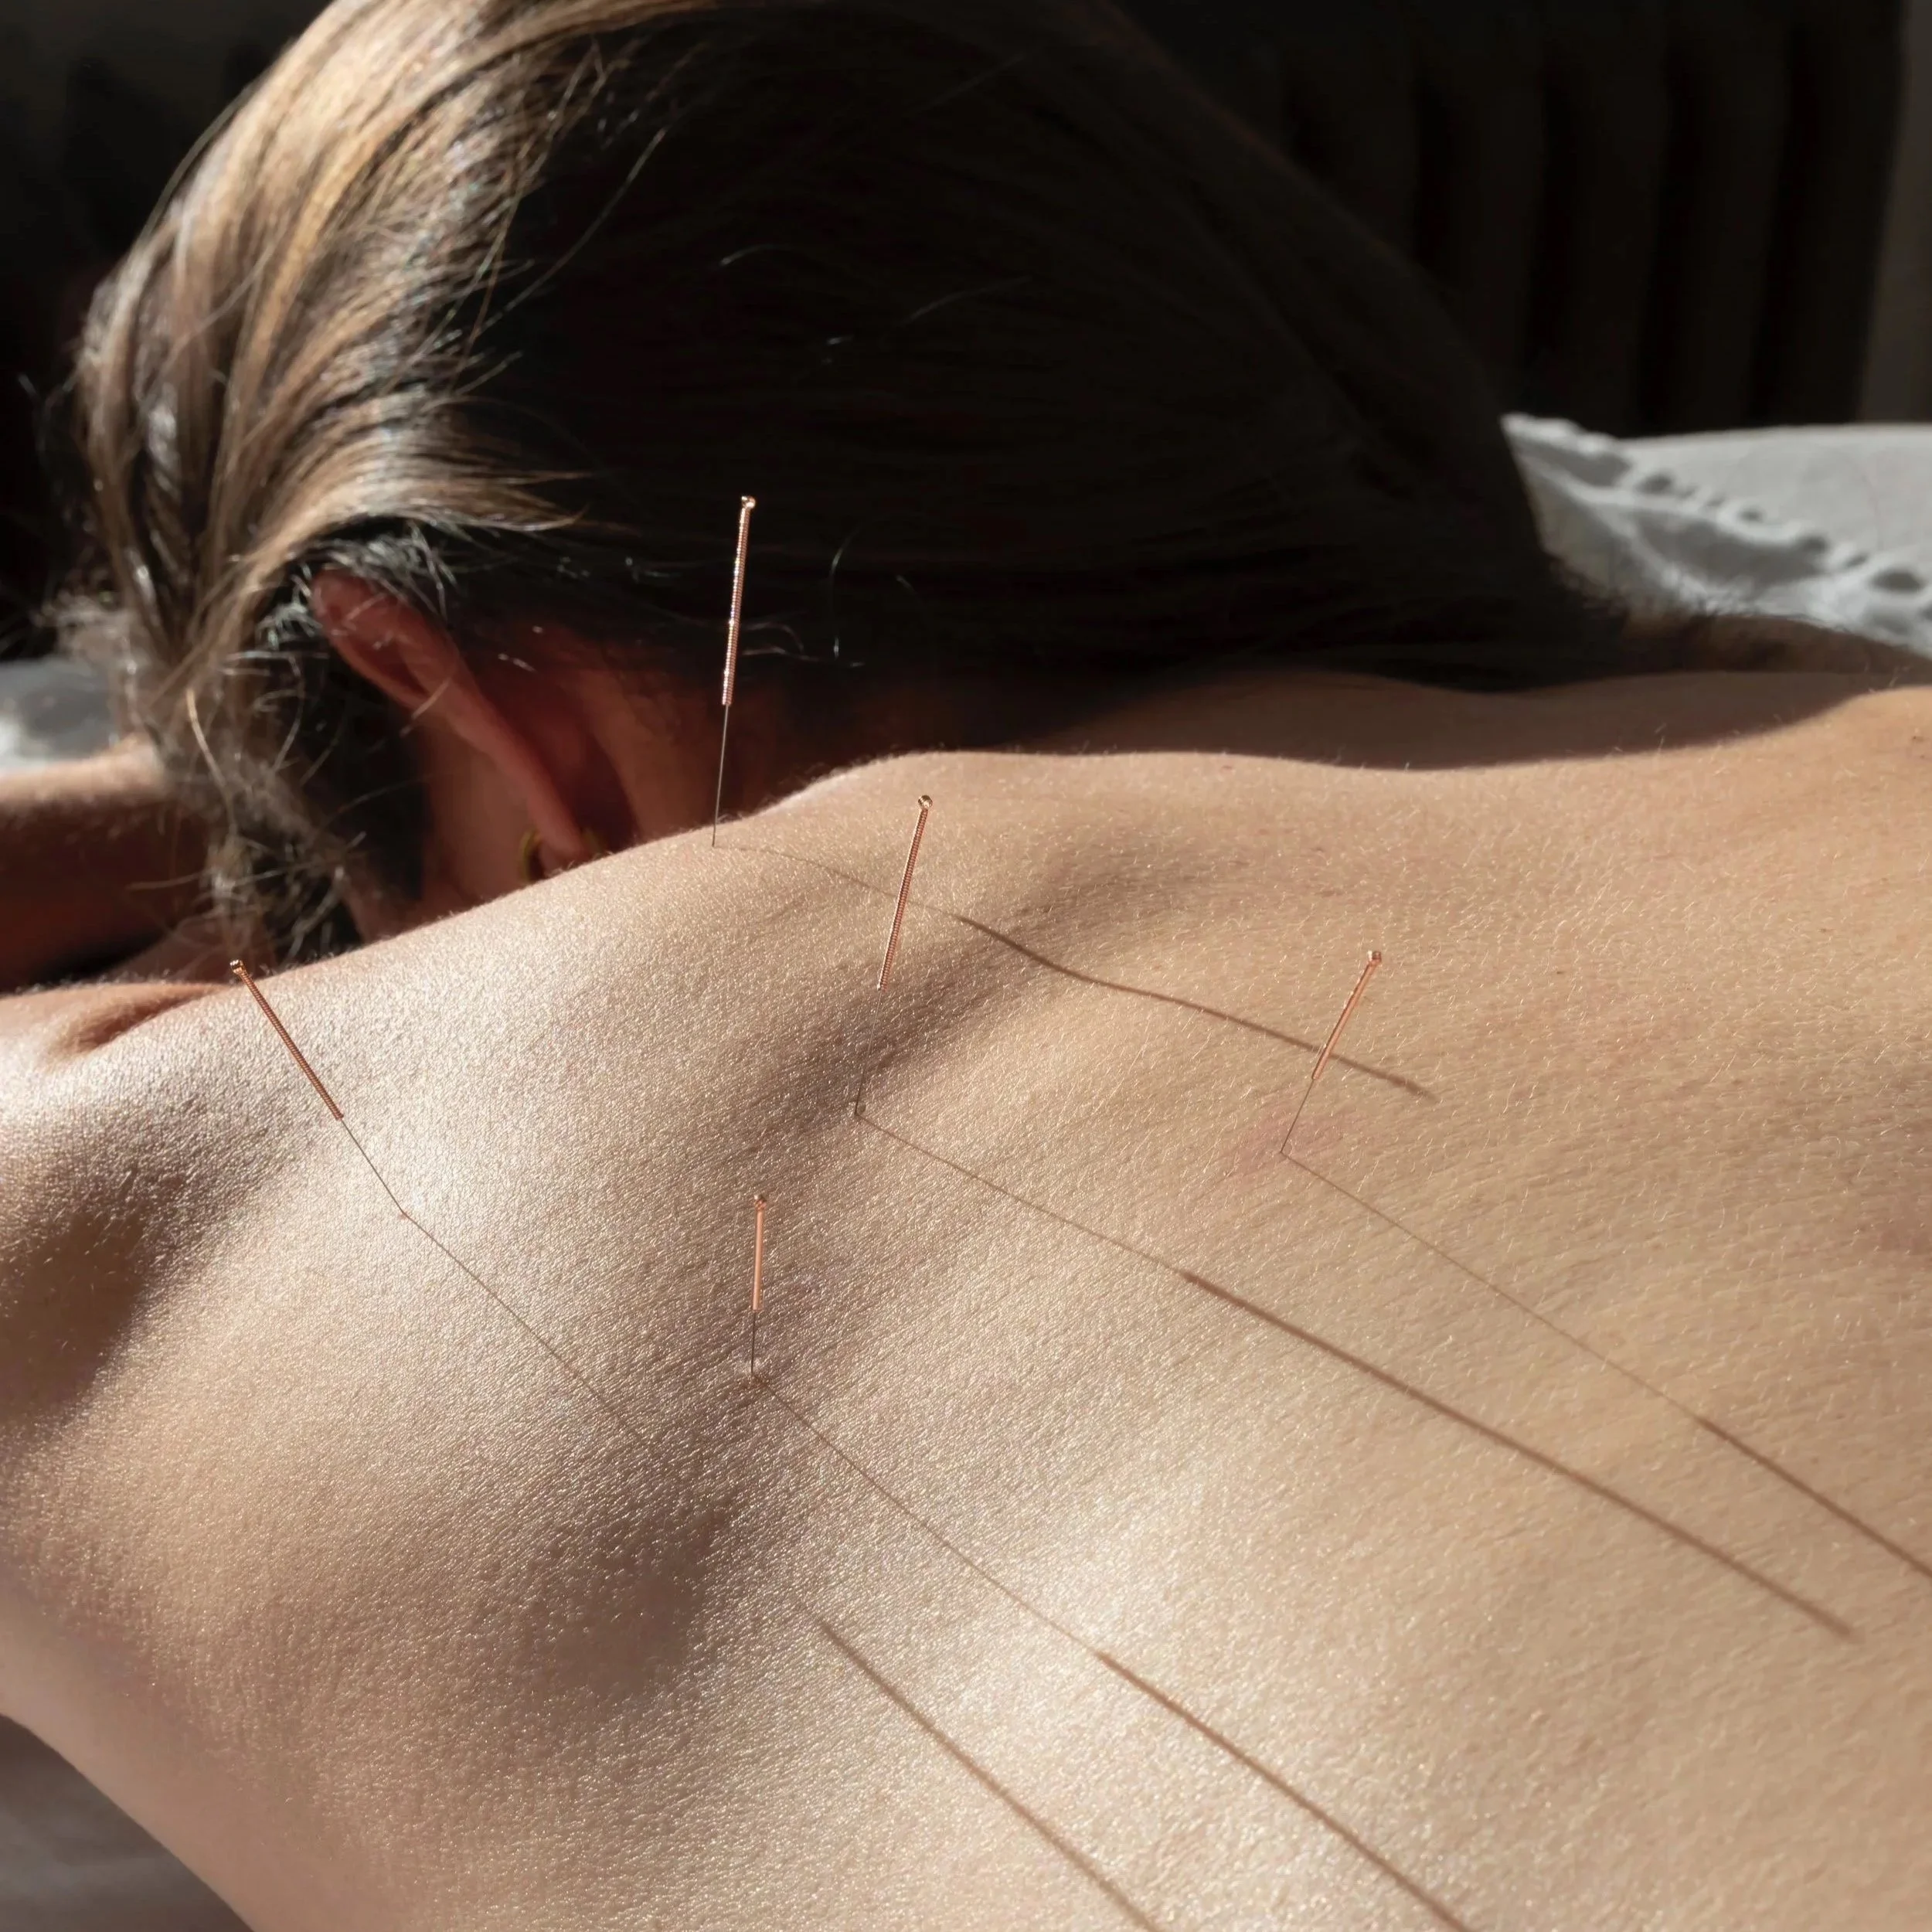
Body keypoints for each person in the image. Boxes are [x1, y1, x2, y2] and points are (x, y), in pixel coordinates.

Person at [2, 1, 1927, 1927]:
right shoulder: (1832, 704)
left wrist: (258, 810)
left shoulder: (261, 1175)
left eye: (358, 903)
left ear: (502, 718)